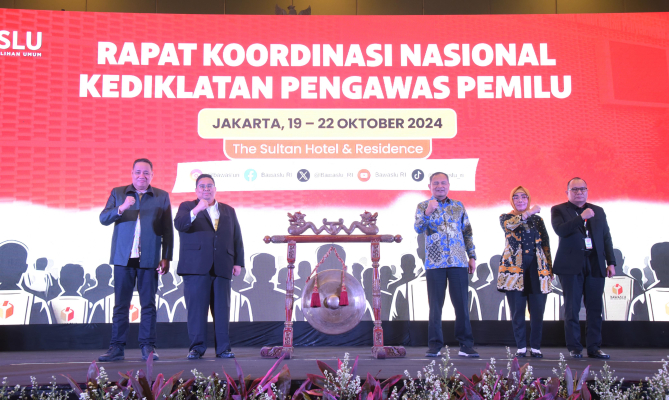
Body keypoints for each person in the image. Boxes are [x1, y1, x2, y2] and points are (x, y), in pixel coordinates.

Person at [98, 158, 173, 362]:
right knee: (121, 305)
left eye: (146, 173)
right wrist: (121, 207)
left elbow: (168, 229)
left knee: (148, 305)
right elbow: (103, 219)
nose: (142, 176)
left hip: (149, 259)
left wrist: (166, 256)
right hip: (123, 259)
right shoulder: (118, 193)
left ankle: (148, 347)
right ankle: (117, 347)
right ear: (132, 173)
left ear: (152, 175)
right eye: (138, 172)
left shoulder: (161, 196)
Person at [174, 174, 244, 359]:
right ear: (196, 190)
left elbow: (236, 236)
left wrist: (238, 261)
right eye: (202, 186)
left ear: (215, 189)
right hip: (195, 267)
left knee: (222, 310)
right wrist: (197, 209)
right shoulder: (187, 207)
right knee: (197, 310)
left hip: (222, 265)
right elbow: (180, 225)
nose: (206, 189)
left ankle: (223, 348)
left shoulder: (228, 210)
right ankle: (196, 348)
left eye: (209, 186)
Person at [414, 172, 479, 358]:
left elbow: (467, 232)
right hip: (435, 263)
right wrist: (428, 212)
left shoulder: (458, 206)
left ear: (448, 185)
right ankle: (435, 345)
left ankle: (466, 345)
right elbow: (418, 228)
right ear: (430, 186)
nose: (440, 186)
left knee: (462, 305)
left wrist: (472, 256)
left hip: (458, 261)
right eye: (436, 183)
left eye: (443, 183)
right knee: (435, 306)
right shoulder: (423, 206)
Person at [551, 177, 615, 359]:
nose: (579, 192)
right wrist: (581, 218)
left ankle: (594, 348)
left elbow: (606, 237)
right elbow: (561, 230)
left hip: (595, 263)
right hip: (570, 265)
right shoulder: (558, 210)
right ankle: (575, 347)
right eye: (575, 189)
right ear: (567, 192)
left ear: (587, 191)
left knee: (595, 308)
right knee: (572, 308)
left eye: (582, 189)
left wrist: (611, 262)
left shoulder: (598, 210)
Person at [497, 186, 552, 358]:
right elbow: (510, 226)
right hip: (514, 270)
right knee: (517, 311)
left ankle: (535, 347)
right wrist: (529, 212)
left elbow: (545, 243)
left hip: (537, 268)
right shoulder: (506, 217)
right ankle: (521, 347)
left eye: (524, 197)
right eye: (516, 197)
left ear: (528, 199)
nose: (520, 200)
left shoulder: (538, 220)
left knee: (537, 310)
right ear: (512, 200)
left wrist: (549, 268)